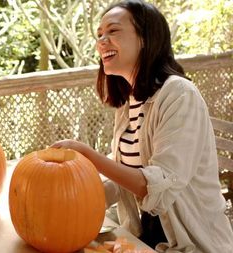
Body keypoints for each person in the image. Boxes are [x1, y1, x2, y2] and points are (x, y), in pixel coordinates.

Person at [51, 0, 233, 252]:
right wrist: (70, 201)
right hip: (144, 238)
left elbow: (154, 185)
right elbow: (124, 175)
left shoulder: (179, 95)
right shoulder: (129, 101)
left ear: (145, 38)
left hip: (193, 243)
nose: (101, 41)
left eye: (113, 31)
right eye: (99, 34)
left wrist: (87, 155)